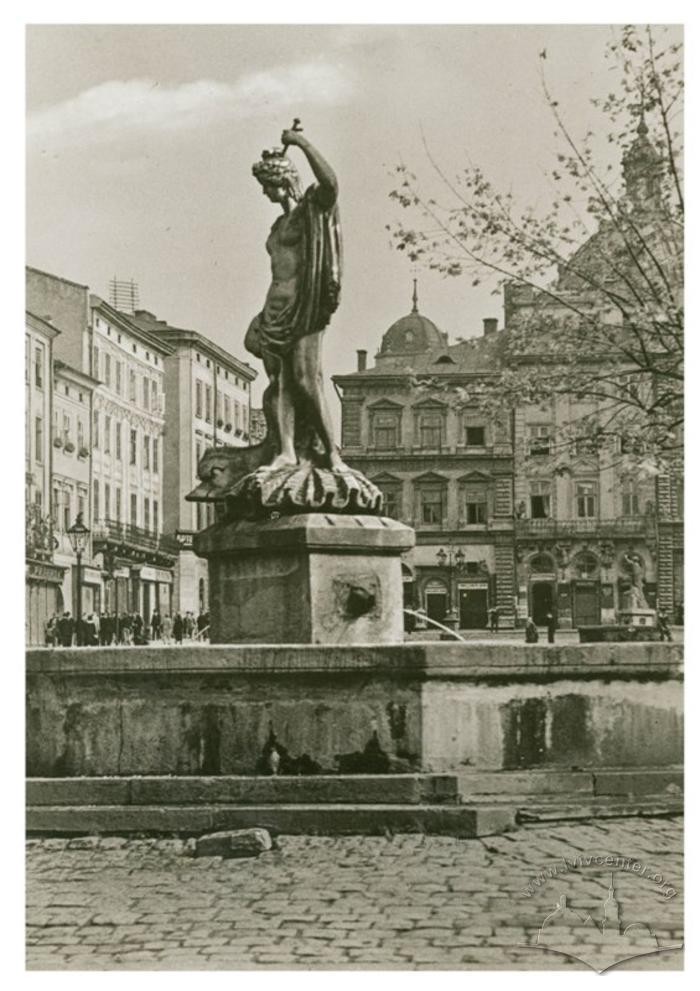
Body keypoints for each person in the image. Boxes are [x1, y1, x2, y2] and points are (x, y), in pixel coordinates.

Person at [246, 124, 349, 473]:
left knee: (307, 380)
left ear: (284, 180)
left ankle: (332, 454)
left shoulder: (312, 211)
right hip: (273, 310)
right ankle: (287, 451)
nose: (265, 194)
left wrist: (301, 142)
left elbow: (331, 183)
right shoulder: (279, 226)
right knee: (281, 383)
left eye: (268, 186)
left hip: (304, 307)